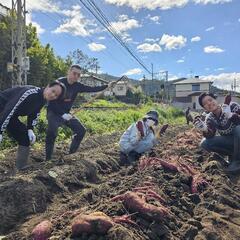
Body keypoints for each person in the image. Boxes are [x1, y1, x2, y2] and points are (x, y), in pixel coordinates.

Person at [45, 64, 114, 160]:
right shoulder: (59, 83)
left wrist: (107, 86)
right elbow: (51, 102)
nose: (76, 76)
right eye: (74, 73)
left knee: (81, 131)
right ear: (69, 71)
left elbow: (92, 89)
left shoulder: (78, 86)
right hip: (54, 112)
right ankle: (48, 159)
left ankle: (70, 155)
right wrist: (63, 114)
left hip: (67, 114)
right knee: (52, 132)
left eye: (78, 75)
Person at [0, 81, 66, 170]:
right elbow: (10, 108)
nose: (53, 95)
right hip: (3, 109)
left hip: (10, 115)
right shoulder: (29, 93)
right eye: (53, 91)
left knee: (24, 137)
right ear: (47, 86)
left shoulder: (43, 100)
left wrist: (30, 129)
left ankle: (21, 168)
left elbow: (34, 113)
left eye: (56, 95)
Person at [194, 92, 240, 173]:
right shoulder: (210, 118)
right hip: (231, 142)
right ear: (205, 108)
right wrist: (205, 129)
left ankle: (237, 162)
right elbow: (211, 135)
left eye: (210, 100)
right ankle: (228, 159)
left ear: (215, 99)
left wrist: (230, 115)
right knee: (204, 143)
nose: (209, 103)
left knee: (238, 128)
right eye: (205, 103)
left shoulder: (232, 106)